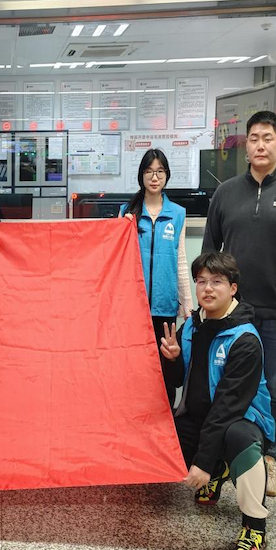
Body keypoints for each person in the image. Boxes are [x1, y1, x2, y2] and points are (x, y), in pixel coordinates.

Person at [202, 110, 276, 496]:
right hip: (232, 314)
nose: (260, 145)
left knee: (274, 388)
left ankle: (269, 456)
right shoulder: (225, 193)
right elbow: (209, 252)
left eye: (267, 138)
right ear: (246, 145)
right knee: (225, 386)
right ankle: (222, 457)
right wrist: (209, 298)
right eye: (253, 138)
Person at [161, 252, 274, 550]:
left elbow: (226, 409)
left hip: (241, 420)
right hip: (198, 416)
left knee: (240, 441)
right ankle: (218, 471)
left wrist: (202, 461)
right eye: (201, 281)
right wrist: (172, 360)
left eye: (216, 282)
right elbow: (178, 381)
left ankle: (255, 527)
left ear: (233, 288)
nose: (207, 289)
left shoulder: (245, 339)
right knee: (161, 440)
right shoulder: (192, 326)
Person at [120, 149, 193, 406]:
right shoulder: (127, 212)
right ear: (141, 175)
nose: (154, 177)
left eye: (160, 171)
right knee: (135, 364)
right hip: (134, 306)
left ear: (167, 175)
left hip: (165, 305)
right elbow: (118, 260)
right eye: (149, 171)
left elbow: (180, 260)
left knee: (165, 367)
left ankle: (165, 418)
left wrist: (187, 303)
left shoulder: (177, 213)